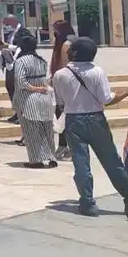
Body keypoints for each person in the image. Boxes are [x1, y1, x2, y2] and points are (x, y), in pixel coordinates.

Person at [51, 37, 128, 221]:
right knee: (111, 161)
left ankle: (87, 202)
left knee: (81, 163)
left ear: (75, 53)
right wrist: (124, 94)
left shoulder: (60, 75)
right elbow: (106, 99)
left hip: (73, 120)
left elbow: (60, 102)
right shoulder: (97, 71)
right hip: (96, 119)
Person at [11, 29, 57, 168]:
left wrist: (35, 89)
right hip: (44, 98)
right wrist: (41, 88)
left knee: (32, 131)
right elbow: (45, 79)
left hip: (28, 100)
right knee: (47, 130)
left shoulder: (21, 61)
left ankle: (37, 160)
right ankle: (51, 158)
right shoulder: (41, 61)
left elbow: (21, 82)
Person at [50, 20, 77, 160]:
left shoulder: (66, 45)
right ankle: (63, 145)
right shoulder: (62, 44)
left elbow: (64, 66)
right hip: (59, 83)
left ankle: (67, 146)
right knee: (61, 115)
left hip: (64, 85)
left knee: (64, 115)